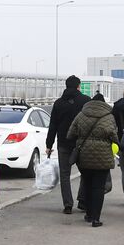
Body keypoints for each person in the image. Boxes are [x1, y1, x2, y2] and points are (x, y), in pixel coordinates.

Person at [67, 92, 118, 227]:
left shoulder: (81, 114)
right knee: (98, 187)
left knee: (88, 184)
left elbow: (70, 134)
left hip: (84, 156)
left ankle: (88, 214)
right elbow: (114, 136)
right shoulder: (109, 116)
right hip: (103, 157)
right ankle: (96, 218)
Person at [46, 75, 91, 214]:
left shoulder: (59, 103)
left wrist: (49, 144)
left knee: (64, 175)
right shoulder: (86, 101)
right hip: (81, 143)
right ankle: (83, 201)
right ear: (78, 86)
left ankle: (68, 205)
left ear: (66, 86)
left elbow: (53, 125)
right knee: (86, 172)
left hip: (63, 144)